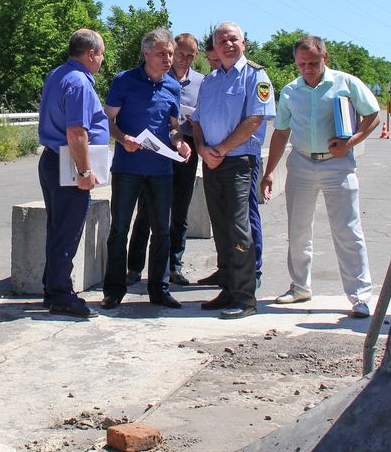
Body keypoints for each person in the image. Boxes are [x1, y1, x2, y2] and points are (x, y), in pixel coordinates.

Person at [259, 35, 379, 318]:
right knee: (298, 230)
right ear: (296, 63)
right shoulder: (290, 91)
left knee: (348, 230)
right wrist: (269, 173)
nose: (308, 69)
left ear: (325, 58)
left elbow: (373, 115)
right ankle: (300, 286)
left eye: (313, 62)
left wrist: (351, 142)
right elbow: (281, 132)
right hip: (301, 163)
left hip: (337, 165)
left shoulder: (346, 83)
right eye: (302, 64)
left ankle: (360, 296)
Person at [101, 28, 193, 310]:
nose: (168, 59)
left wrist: (180, 143)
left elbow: (174, 127)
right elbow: (106, 121)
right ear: (145, 53)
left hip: (161, 169)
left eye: (170, 54)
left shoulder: (172, 87)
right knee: (119, 229)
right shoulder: (124, 81)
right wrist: (122, 138)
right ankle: (114, 291)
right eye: (161, 54)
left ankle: (159, 289)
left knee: (162, 231)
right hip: (127, 167)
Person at [191, 22, 273, 319]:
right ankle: (227, 288)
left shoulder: (256, 76)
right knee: (222, 228)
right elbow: (197, 120)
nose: (227, 44)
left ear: (244, 43)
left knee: (240, 229)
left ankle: (245, 298)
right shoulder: (210, 80)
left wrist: (222, 149)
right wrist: (202, 149)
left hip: (238, 162)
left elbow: (256, 119)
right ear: (214, 46)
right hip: (211, 162)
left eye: (233, 39)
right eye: (221, 40)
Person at [37, 29, 110, 318]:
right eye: (101, 54)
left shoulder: (58, 74)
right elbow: (76, 131)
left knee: (57, 229)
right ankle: (61, 295)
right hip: (69, 165)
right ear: (91, 54)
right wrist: (86, 171)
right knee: (67, 232)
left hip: (52, 160)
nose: (102, 60)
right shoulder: (79, 82)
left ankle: (51, 288)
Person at [125, 32, 204, 286]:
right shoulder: (157, 75)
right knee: (146, 210)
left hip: (185, 148)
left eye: (190, 56)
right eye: (180, 53)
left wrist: (196, 122)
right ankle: (135, 268)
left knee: (180, 209)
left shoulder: (202, 83)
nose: (183, 59)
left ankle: (174, 266)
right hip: (155, 149)